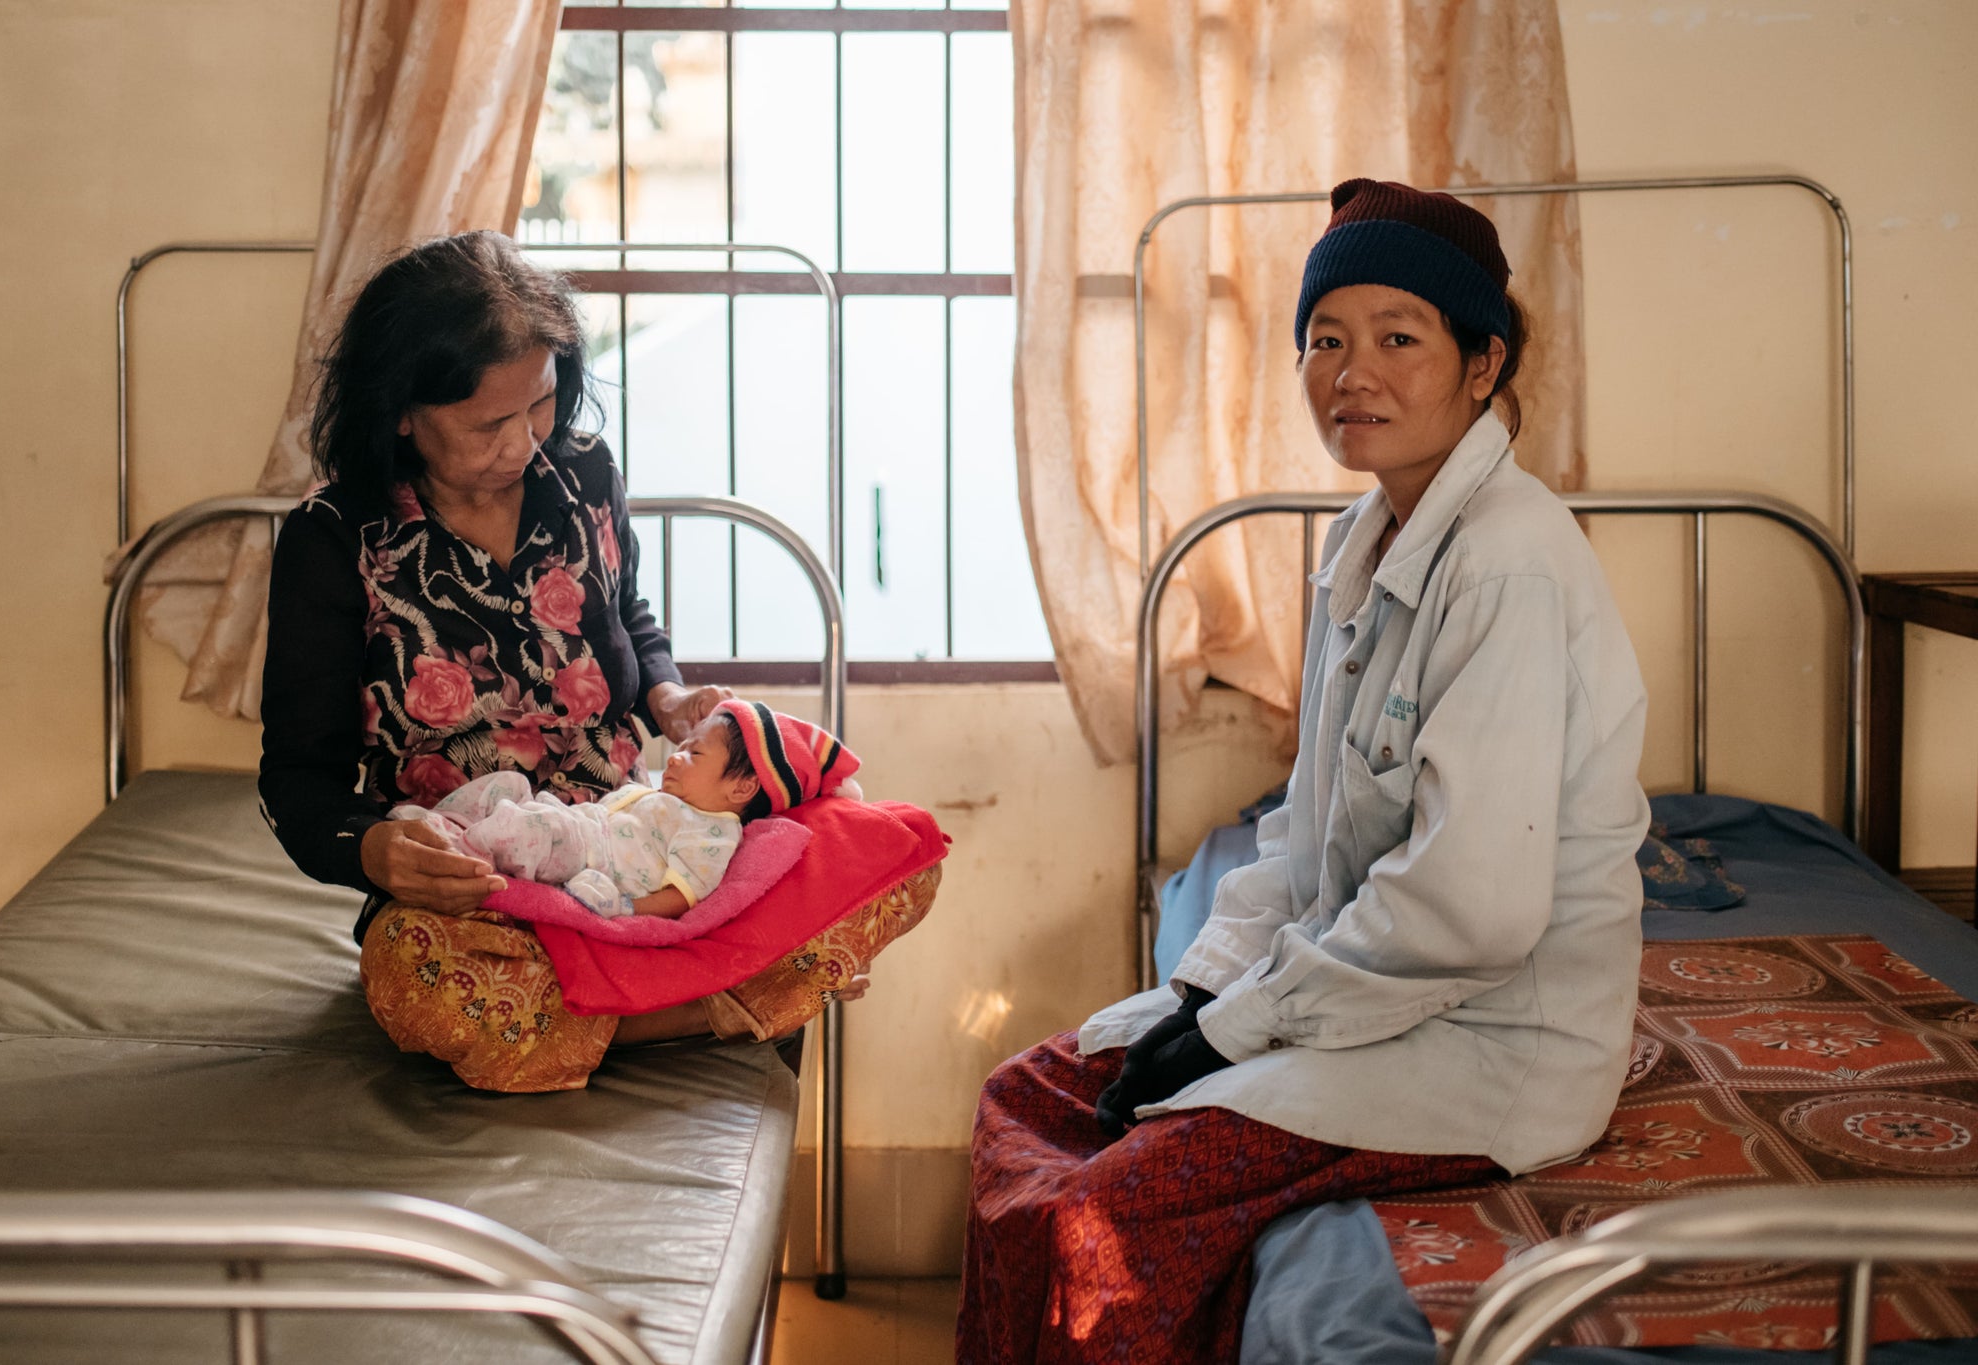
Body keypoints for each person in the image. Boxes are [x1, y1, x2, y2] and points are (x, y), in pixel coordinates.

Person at [957, 180, 1650, 1362]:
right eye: (1324, 340)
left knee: (1098, 1219)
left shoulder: (1507, 567)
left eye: (1397, 338)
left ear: (1482, 366)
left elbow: (1470, 909)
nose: (1351, 372)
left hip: (1480, 1044)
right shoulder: (1359, 541)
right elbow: (1307, 828)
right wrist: (1199, 991)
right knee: (1026, 1096)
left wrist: (1242, 1028)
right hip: (1361, 999)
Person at [258, 233, 915, 1089]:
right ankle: (708, 1002)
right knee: (414, 977)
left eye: (540, 403)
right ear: (402, 413)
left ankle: (621, 998)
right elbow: (296, 784)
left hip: (630, 843)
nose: (525, 442)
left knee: (848, 852)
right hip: (481, 891)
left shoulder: (583, 475)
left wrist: (669, 694)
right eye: (488, 423)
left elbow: (626, 617)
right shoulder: (333, 543)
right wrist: (374, 849)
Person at [388, 702, 860, 919]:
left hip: (588, 859)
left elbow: (685, 893)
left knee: (531, 826)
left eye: (695, 755)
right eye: (682, 746)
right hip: (574, 826)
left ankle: (459, 852)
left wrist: (629, 909)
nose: (675, 756)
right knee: (511, 787)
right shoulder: (664, 800)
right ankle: (440, 824)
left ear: (742, 787)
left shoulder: (713, 831)